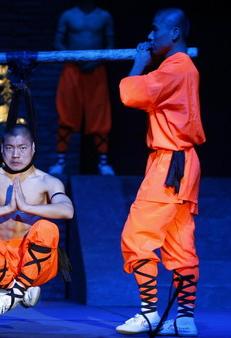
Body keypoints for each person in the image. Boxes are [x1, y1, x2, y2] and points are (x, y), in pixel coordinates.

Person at [115, 8, 205, 336]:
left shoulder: (175, 69)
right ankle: (184, 318)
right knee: (179, 240)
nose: (151, 37)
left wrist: (140, 61)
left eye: (155, 31)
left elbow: (131, 93)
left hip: (170, 163)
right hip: (183, 162)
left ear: (175, 33)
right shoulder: (181, 69)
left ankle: (150, 312)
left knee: (137, 235)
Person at [0, 124, 74, 317]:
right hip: (0, 263)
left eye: (22, 148)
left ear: (32, 148)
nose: (16, 155)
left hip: (36, 260)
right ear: (2, 149)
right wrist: (6, 208)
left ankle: (13, 294)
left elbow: (67, 210)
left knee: (47, 227)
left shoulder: (48, 181)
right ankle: (19, 289)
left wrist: (27, 207)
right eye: (10, 148)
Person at [49, 0, 115, 175]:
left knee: (99, 114)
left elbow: (110, 43)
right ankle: (60, 161)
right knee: (67, 112)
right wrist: (73, 57)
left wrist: (97, 60)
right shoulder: (69, 15)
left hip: (96, 69)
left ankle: (103, 162)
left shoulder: (104, 16)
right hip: (72, 68)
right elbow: (58, 41)